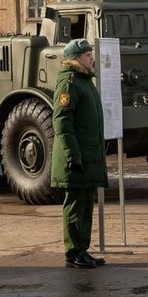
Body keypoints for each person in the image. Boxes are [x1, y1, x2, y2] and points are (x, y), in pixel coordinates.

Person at [49, 38, 108, 267]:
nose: (91, 58)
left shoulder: (85, 80)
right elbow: (62, 121)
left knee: (85, 206)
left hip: (88, 156)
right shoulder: (70, 82)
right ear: (75, 59)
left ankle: (82, 250)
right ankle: (73, 252)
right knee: (75, 206)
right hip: (76, 157)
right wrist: (72, 154)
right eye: (87, 55)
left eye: (90, 54)